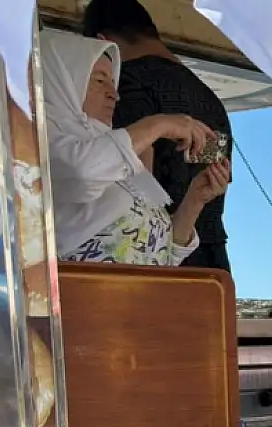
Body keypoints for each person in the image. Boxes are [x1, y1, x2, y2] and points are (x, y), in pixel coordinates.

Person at [40, 31, 227, 267]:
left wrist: (195, 200)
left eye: (113, 82)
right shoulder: (42, 135)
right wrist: (159, 124)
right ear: (63, 80)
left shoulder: (111, 150)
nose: (114, 94)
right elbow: (82, 174)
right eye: (100, 80)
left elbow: (161, 258)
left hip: (139, 299)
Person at [83, 0, 232, 271]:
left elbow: (135, 188)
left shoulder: (127, 84)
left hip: (150, 256)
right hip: (211, 261)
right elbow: (213, 171)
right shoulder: (208, 98)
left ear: (101, 43)